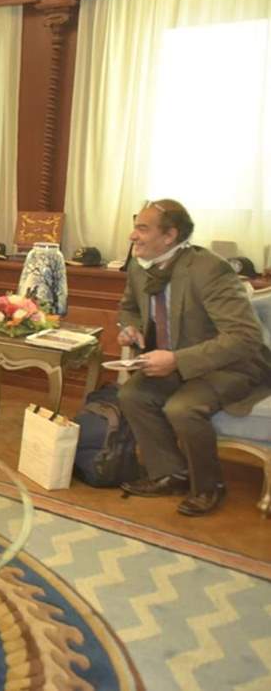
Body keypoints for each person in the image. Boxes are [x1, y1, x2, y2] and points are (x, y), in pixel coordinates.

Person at [116, 199, 271, 516]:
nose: (133, 236)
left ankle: (208, 487)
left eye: (142, 228)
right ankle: (170, 474)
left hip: (230, 366)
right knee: (132, 394)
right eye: (135, 227)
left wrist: (176, 360)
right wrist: (130, 328)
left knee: (183, 408)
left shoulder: (209, 269)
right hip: (177, 363)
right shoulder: (139, 265)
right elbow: (129, 307)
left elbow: (245, 337)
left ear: (170, 235)